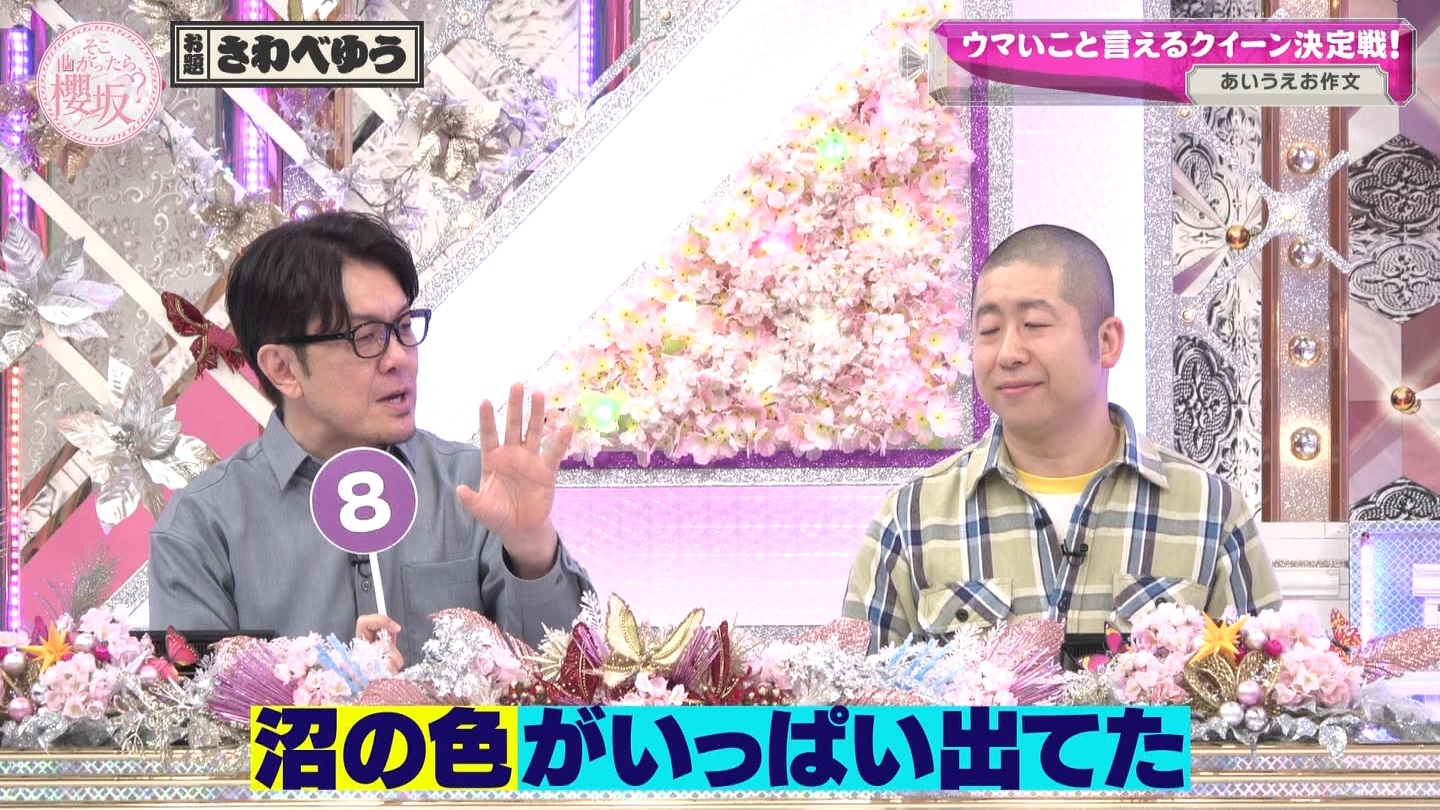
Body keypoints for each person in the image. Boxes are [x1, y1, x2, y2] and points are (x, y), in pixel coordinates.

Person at [149, 211, 591, 668]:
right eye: (366, 336)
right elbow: (195, 708)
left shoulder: (475, 485)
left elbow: (571, 682)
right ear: (283, 368)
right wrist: (338, 690)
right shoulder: (200, 529)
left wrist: (531, 549)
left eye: (404, 326)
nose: (400, 358)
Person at [842, 224, 1280, 654]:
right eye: (989, 330)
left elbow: (1264, 688)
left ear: (1106, 341)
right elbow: (854, 694)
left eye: (1034, 324)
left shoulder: (1210, 510)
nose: (1008, 353)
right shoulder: (913, 516)